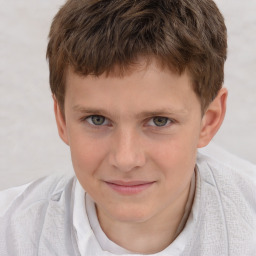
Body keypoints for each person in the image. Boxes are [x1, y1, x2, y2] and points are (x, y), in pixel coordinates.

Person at [0, 0, 255, 255]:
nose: (125, 159)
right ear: (62, 120)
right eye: (97, 119)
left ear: (208, 121)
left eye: (159, 121)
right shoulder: (11, 232)